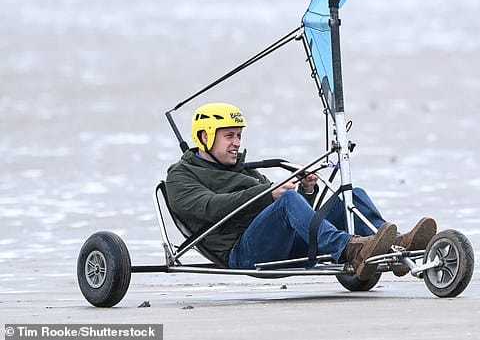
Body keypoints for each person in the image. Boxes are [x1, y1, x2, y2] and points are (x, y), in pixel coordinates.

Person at [166, 102, 436, 279]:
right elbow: (210, 207)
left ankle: (395, 246)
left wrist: (308, 190)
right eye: (229, 136)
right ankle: (352, 249)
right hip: (243, 254)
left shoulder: (243, 170)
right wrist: (269, 194)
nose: (236, 143)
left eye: (239, 135)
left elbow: (293, 214)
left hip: (284, 246)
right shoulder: (181, 176)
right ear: (205, 137)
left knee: (353, 195)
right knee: (286, 200)